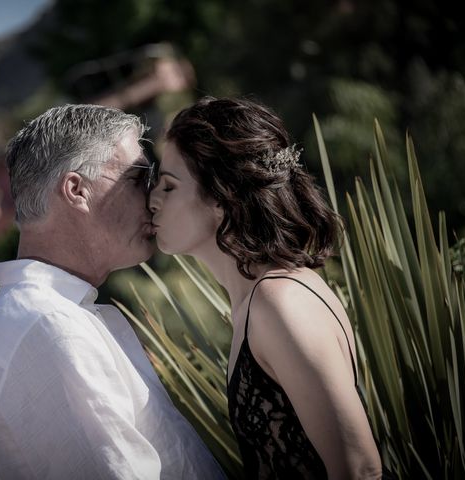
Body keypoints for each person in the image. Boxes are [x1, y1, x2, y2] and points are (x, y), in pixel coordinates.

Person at [0, 104, 226, 480]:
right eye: (140, 176)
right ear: (77, 190)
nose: (153, 196)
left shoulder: (46, 317)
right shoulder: (49, 327)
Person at [149, 97, 384, 479]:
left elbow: (361, 469)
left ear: (222, 199)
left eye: (169, 186)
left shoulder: (279, 302)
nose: (153, 200)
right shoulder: (256, 300)